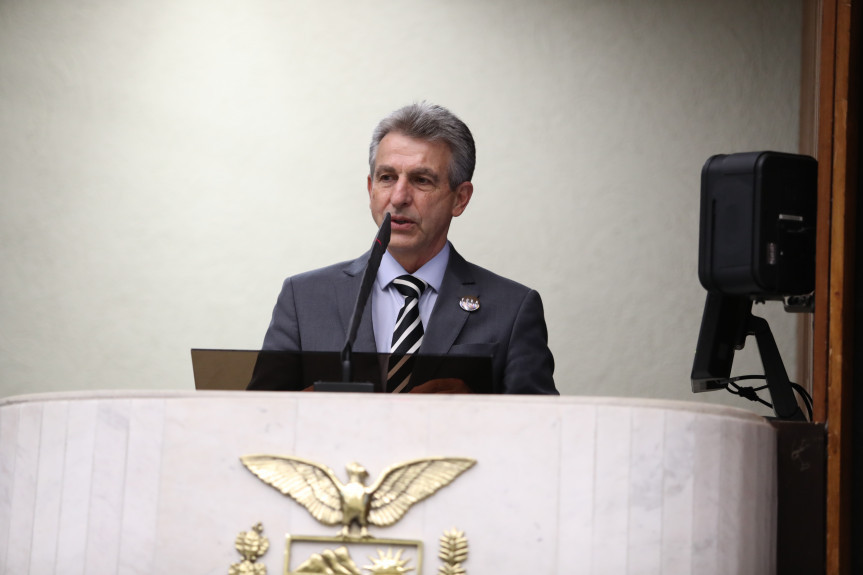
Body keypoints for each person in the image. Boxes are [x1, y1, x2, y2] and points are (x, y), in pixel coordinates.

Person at [251, 102, 557, 394]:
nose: (398, 197)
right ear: (371, 189)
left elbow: (547, 431)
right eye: (387, 178)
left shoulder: (513, 309)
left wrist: (479, 409)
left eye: (421, 180)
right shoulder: (304, 298)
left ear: (460, 198)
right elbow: (254, 418)